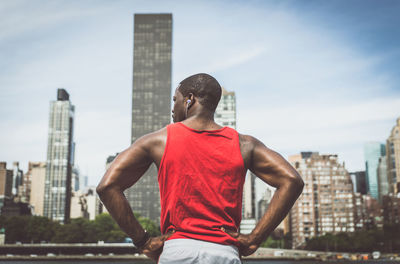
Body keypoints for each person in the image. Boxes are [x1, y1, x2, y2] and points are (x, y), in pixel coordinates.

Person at [96, 73, 304, 263]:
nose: (172, 108)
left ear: (190, 99)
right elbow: (292, 181)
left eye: (175, 100)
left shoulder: (158, 140)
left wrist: (143, 241)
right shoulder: (244, 144)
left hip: (178, 252)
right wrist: (254, 239)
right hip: (225, 254)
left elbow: (107, 187)